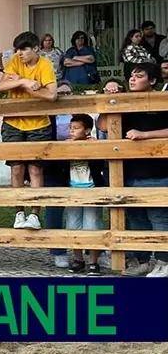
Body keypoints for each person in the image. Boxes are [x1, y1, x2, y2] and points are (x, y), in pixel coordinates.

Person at [99, 64, 168, 277]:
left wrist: (145, 135)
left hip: (157, 171)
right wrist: (109, 100)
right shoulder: (125, 101)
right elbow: (103, 125)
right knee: (136, 218)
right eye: (131, 76)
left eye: (139, 76)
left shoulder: (162, 100)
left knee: (159, 217)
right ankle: (143, 260)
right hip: (128, 171)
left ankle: (164, 262)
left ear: (153, 81)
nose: (132, 79)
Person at [0, 30, 59, 230]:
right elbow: (2, 86)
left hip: (39, 124)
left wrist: (19, 86)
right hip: (13, 122)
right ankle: (19, 213)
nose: (20, 53)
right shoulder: (15, 61)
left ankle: (34, 214)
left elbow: (52, 95)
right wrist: (25, 82)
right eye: (17, 49)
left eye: (24, 49)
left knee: (35, 169)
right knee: (16, 169)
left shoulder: (45, 65)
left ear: (36, 49)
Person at [63, 114, 106, 275]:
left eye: (76, 128)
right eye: (70, 128)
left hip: (92, 189)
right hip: (73, 190)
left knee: (93, 224)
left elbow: (100, 164)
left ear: (87, 130)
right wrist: (66, 149)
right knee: (73, 224)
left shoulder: (93, 144)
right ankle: (78, 259)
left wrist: (94, 148)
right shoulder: (67, 145)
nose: (72, 131)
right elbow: (60, 166)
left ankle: (94, 262)